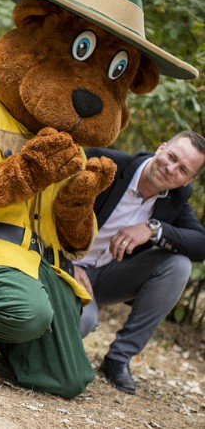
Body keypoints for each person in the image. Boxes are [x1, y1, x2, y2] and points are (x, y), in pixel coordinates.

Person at [74, 130, 205, 394]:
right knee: (82, 324)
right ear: (161, 147)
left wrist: (153, 228)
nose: (170, 169)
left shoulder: (175, 199)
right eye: (171, 157)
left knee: (178, 265)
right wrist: (69, 263)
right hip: (64, 268)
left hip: (108, 276)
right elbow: (49, 208)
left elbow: (201, 244)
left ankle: (118, 359)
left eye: (182, 170)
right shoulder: (107, 164)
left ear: (188, 180)